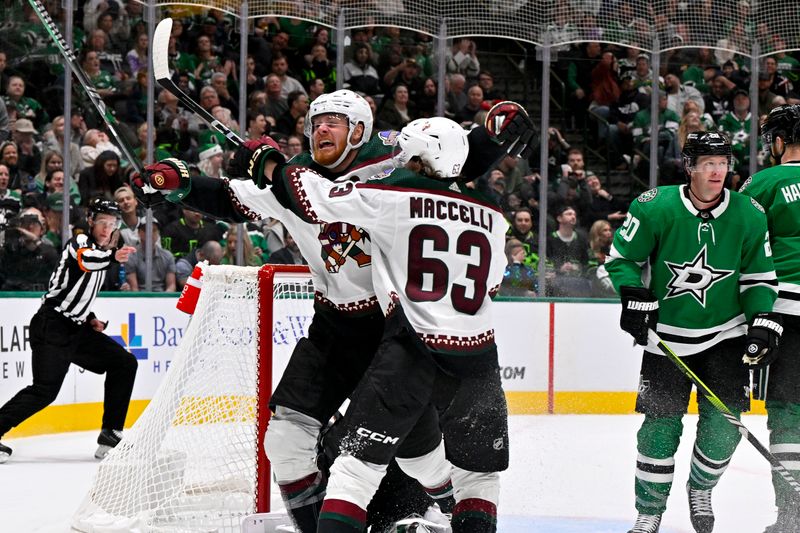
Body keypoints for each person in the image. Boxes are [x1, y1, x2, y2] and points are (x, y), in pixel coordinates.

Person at [136, 91, 533, 532]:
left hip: (396, 331)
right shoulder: (291, 181)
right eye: (316, 122)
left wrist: (494, 139)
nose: (321, 129)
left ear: (360, 131)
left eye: (334, 122)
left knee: (418, 456)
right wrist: (177, 183)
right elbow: (227, 197)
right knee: (285, 441)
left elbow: (447, 158)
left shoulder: (392, 163)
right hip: (335, 329)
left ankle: (446, 505)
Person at [260, 116, 509, 533]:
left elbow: (311, 195)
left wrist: (271, 164)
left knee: (355, 472)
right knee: (477, 478)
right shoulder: (493, 215)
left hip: (409, 349)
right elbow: (494, 283)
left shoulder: (393, 195)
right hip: (478, 358)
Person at [604, 131, 781, 533]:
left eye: (723, 164)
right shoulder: (655, 207)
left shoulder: (749, 213)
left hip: (726, 338)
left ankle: (700, 488)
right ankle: (649, 512)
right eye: (707, 164)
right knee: (658, 427)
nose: (717, 171)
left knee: (723, 429)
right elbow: (621, 260)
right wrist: (632, 292)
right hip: (665, 341)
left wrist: (761, 321)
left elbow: (758, 279)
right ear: (689, 167)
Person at [0, 198, 138, 463]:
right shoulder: (80, 243)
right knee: (44, 390)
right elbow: (86, 262)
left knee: (124, 363)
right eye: (102, 222)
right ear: (90, 221)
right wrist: (113, 256)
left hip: (76, 327)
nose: (107, 229)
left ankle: (110, 434)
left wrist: (90, 318)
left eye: (112, 224)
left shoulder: (103, 253)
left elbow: (76, 291)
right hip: (52, 325)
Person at [738, 104, 800, 533]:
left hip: (785, 312)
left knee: (787, 413)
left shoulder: (765, 181)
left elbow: (733, 243)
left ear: (779, 141)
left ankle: (792, 514)